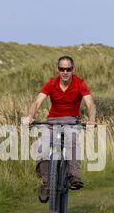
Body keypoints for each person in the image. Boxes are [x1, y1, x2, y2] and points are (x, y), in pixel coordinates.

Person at [23, 56, 96, 203]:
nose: (65, 72)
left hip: (72, 121)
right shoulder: (51, 83)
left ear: (72, 70)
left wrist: (91, 120)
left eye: (68, 69)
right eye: (62, 69)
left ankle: (73, 176)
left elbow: (90, 104)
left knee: (73, 140)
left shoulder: (79, 83)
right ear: (58, 70)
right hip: (52, 122)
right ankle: (46, 182)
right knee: (42, 146)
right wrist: (30, 116)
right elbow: (37, 102)